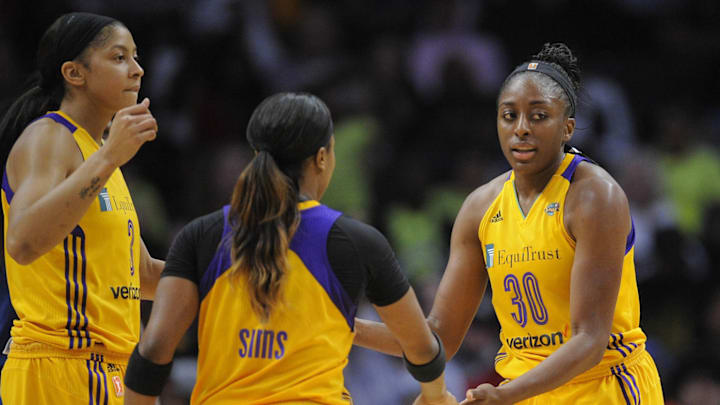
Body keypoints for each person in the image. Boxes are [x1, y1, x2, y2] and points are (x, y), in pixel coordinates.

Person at [354, 43, 665, 404]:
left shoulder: (594, 196)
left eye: (538, 116)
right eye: (509, 115)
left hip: (602, 387)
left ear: (567, 127)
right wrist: (344, 325)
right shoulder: (479, 207)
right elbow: (438, 339)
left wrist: (505, 395)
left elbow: (589, 341)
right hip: (524, 391)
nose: (521, 129)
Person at [122, 92, 457, 405]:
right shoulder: (357, 241)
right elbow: (422, 348)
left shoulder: (200, 234)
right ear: (322, 158)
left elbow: (152, 352)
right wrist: (436, 397)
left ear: (256, 157)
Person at [0, 12, 163, 404]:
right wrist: (110, 157)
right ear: (74, 73)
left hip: (109, 368)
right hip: (58, 365)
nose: (137, 69)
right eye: (119, 57)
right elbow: (22, 242)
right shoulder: (49, 137)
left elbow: (140, 274)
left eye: (136, 57)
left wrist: (234, 274)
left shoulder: (101, 152)